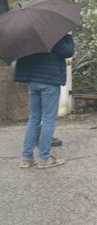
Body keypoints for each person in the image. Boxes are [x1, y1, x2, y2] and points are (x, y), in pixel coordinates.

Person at [15, 33, 74, 169]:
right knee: (48, 119)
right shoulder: (52, 32)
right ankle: (44, 158)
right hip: (49, 80)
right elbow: (67, 52)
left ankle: (26, 158)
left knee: (34, 118)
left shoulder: (27, 33)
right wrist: (67, 37)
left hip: (32, 80)